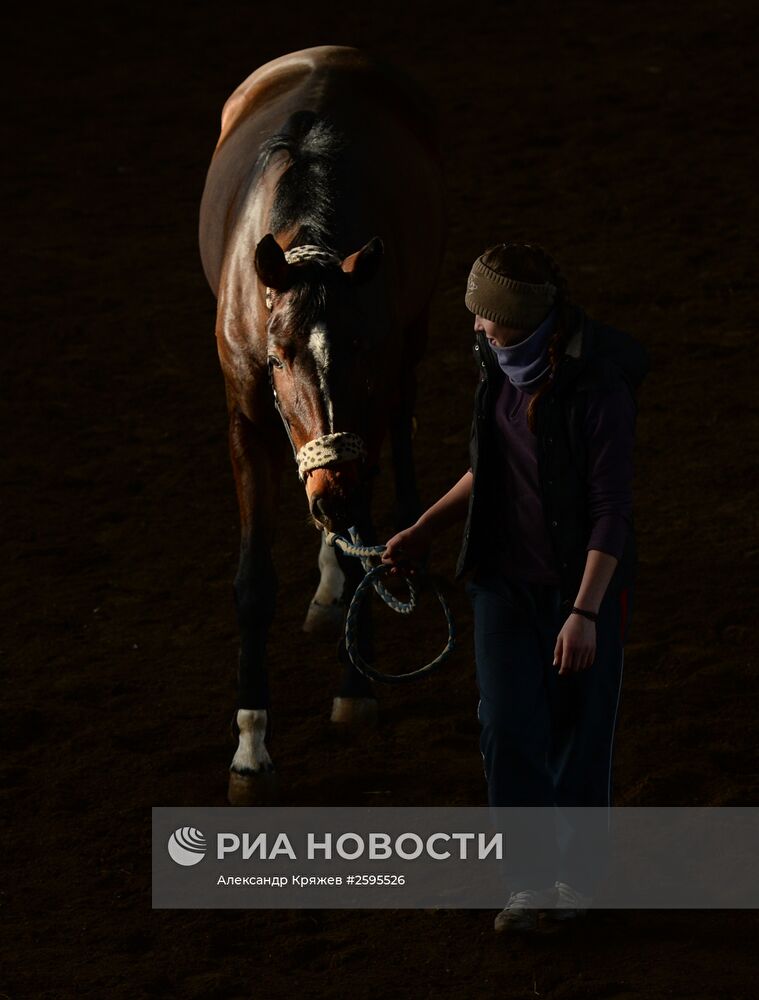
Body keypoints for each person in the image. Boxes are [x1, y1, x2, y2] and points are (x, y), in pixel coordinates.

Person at [381, 242, 649, 932]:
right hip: (501, 587)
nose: (473, 327)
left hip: (576, 594)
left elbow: (611, 511)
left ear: (517, 319)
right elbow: (491, 469)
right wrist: (424, 528)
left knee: (577, 736)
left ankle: (577, 882)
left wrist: (585, 612)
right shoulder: (497, 371)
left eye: (483, 316)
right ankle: (530, 883)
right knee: (506, 729)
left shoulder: (597, 391)